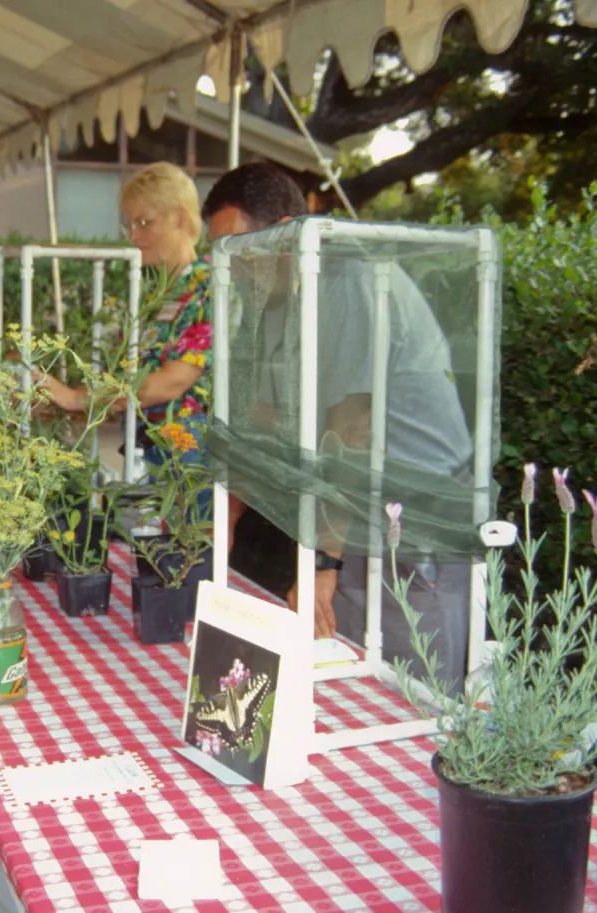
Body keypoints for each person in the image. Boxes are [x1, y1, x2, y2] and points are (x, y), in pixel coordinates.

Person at [203, 161, 474, 690]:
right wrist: (222, 526)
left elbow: (350, 430)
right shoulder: (278, 296)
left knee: (414, 697)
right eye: (220, 254)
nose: (231, 268)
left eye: (238, 250)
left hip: (411, 525)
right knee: (348, 682)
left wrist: (321, 562)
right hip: (351, 518)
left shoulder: (348, 279)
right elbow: (259, 425)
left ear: (286, 228)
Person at [38, 162, 218, 520]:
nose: (133, 236)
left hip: (193, 461)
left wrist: (76, 398)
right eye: (129, 224)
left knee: (189, 555)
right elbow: (124, 386)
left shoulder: (209, 286)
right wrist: (61, 403)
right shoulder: (154, 295)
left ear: (181, 218)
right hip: (153, 454)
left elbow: (170, 383)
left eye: (144, 222)